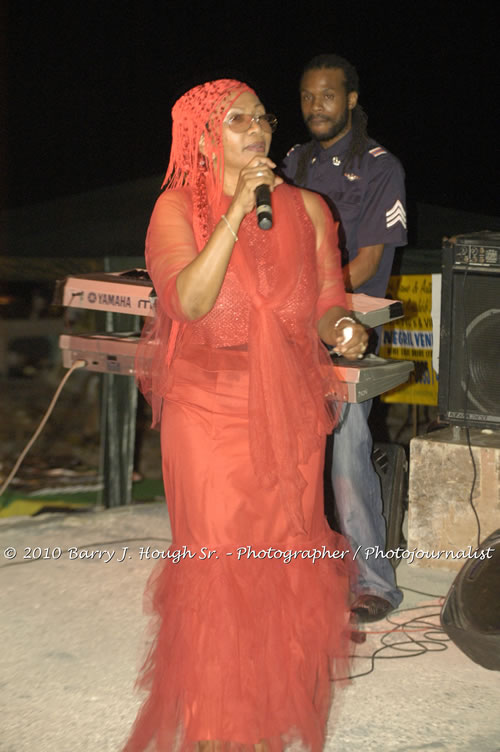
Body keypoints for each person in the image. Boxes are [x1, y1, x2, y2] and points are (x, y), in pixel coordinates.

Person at [123, 78, 368, 752]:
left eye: (262, 117)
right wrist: (233, 214)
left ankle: (266, 716)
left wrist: (342, 327)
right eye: (238, 120)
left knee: (286, 559)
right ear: (203, 135)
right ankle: (215, 729)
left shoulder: (311, 209)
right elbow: (188, 302)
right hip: (207, 411)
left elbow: (324, 300)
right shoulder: (174, 210)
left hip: (287, 411)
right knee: (221, 573)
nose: (257, 129)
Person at [281, 54, 407, 622]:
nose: (315, 107)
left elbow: (370, 259)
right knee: (286, 454)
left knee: (348, 456)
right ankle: (293, 571)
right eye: (308, 97)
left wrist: (313, 299)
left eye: (327, 96)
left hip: (350, 327)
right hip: (290, 328)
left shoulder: (382, 167)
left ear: (351, 99)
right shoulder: (291, 162)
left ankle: (374, 581)